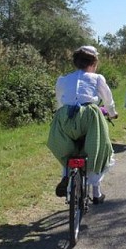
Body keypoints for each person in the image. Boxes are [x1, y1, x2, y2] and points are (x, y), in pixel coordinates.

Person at [47, 45, 119, 204]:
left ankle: (67, 176)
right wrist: (112, 113)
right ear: (93, 63)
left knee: (67, 152)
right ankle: (96, 192)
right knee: (98, 149)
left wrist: (63, 115)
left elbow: (59, 100)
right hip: (88, 115)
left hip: (65, 116)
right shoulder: (97, 78)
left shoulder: (64, 79)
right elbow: (108, 100)